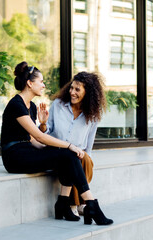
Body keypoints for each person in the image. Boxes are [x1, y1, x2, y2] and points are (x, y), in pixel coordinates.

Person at [0, 61, 113, 225]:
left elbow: (33, 140)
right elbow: (39, 137)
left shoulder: (30, 106)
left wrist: (55, 149)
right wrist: (67, 145)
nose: (44, 85)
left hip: (27, 151)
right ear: (30, 83)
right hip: (14, 157)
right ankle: (91, 204)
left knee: (66, 155)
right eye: (41, 82)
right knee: (67, 151)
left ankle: (64, 203)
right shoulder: (16, 104)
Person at [39, 71, 106, 217]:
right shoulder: (59, 104)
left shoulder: (93, 114)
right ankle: (79, 203)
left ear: (87, 93)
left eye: (77, 89)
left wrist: (86, 157)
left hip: (78, 153)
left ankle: (75, 204)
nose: (72, 92)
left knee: (84, 159)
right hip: (57, 151)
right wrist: (43, 124)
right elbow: (45, 133)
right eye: (71, 88)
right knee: (73, 158)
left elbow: (89, 142)